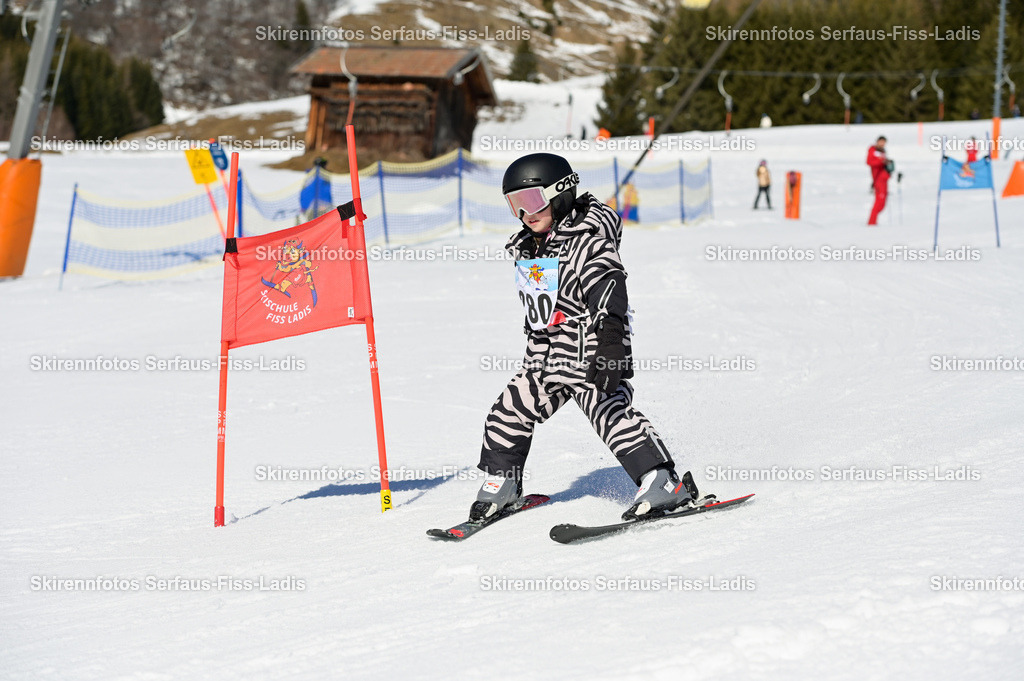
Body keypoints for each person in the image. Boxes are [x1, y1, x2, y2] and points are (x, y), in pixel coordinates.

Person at [469, 153, 697, 522]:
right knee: (507, 412)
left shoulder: (588, 242)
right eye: (515, 205)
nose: (525, 213)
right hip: (545, 361)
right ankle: (503, 483)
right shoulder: (531, 248)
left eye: (532, 201)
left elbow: (608, 290)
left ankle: (663, 482)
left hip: (591, 355)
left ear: (559, 194)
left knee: (611, 415)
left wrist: (611, 344)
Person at [866, 136, 893, 226]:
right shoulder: (873, 150)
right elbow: (869, 162)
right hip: (878, 179)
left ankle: (874, 222)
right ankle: (871, 223)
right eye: (881, 142)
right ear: (877, 141)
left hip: (884, 179)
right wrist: (881, 162)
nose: (882, 144)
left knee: (882, 203)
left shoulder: (883, 151)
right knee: (878, 202)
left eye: (884, 142)